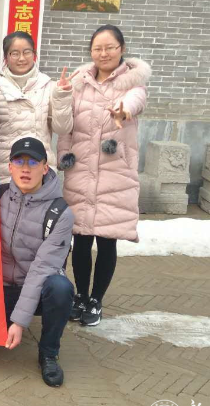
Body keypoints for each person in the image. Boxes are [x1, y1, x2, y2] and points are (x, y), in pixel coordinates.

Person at [58, 25, 150, 327]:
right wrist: (64, 155)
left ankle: (97, 300)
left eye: (110, 47)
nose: (104, 53)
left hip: (114, 173)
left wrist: (123, 110)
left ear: (122, 49)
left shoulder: (133, 83)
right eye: (98, 48)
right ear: (91, 51)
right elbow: (67, 127)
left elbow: (135, 101)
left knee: (108, 239)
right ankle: (80, 296)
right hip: (81, 170)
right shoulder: (80, 83)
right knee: (81, 238)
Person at [1, 137, 75, 387]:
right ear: (9, 167)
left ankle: (49, 352)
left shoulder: (60, 212)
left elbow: (41, 268)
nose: (25, 169)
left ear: (45, 168)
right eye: (18, 161)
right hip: (0, 287)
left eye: (33, 162)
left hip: (36, 286)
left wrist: (19, 322)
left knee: (60, 288)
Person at [0, 31, 73, 180]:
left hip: (41, 172)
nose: (21, 58)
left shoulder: (49, 87)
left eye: (27, 52)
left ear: (34, 54)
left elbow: (62, 129)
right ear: (6, 57)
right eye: (15, 53)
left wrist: (62, 96)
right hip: (5, 174)